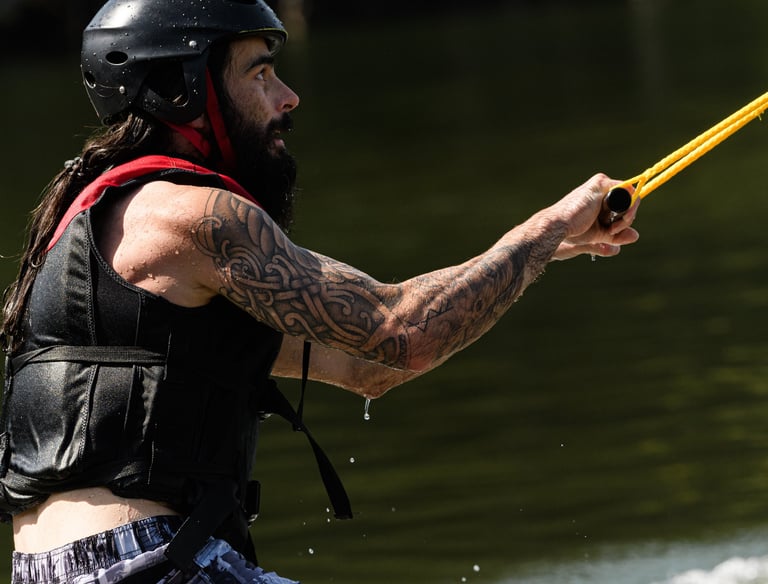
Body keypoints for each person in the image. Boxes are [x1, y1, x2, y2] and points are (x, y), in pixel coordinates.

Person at [0, 0, 640, 582]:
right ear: (180, 91)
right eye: (259, 74)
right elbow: (402, 332)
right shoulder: (188, 216)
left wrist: (538, 254)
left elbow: (369, 367)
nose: (290, 96)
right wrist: (544, 225)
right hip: (139, 561)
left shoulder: (117, 244)